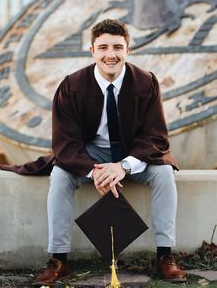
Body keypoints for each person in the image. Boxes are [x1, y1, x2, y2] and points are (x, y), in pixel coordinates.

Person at [15, 18, 187, 285]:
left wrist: (123, 166)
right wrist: (94, 171)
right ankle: (59, 259)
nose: (111, 54)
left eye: (118, 47)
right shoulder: (72, 86)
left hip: (133, 152)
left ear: (128, 50)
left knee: (164, 172)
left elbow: (155, 136)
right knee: (60, 176)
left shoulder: (146, 83)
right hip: (90, 153)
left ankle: (165, 255)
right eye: (103, 47)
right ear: (92, 50)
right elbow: (65, 142)